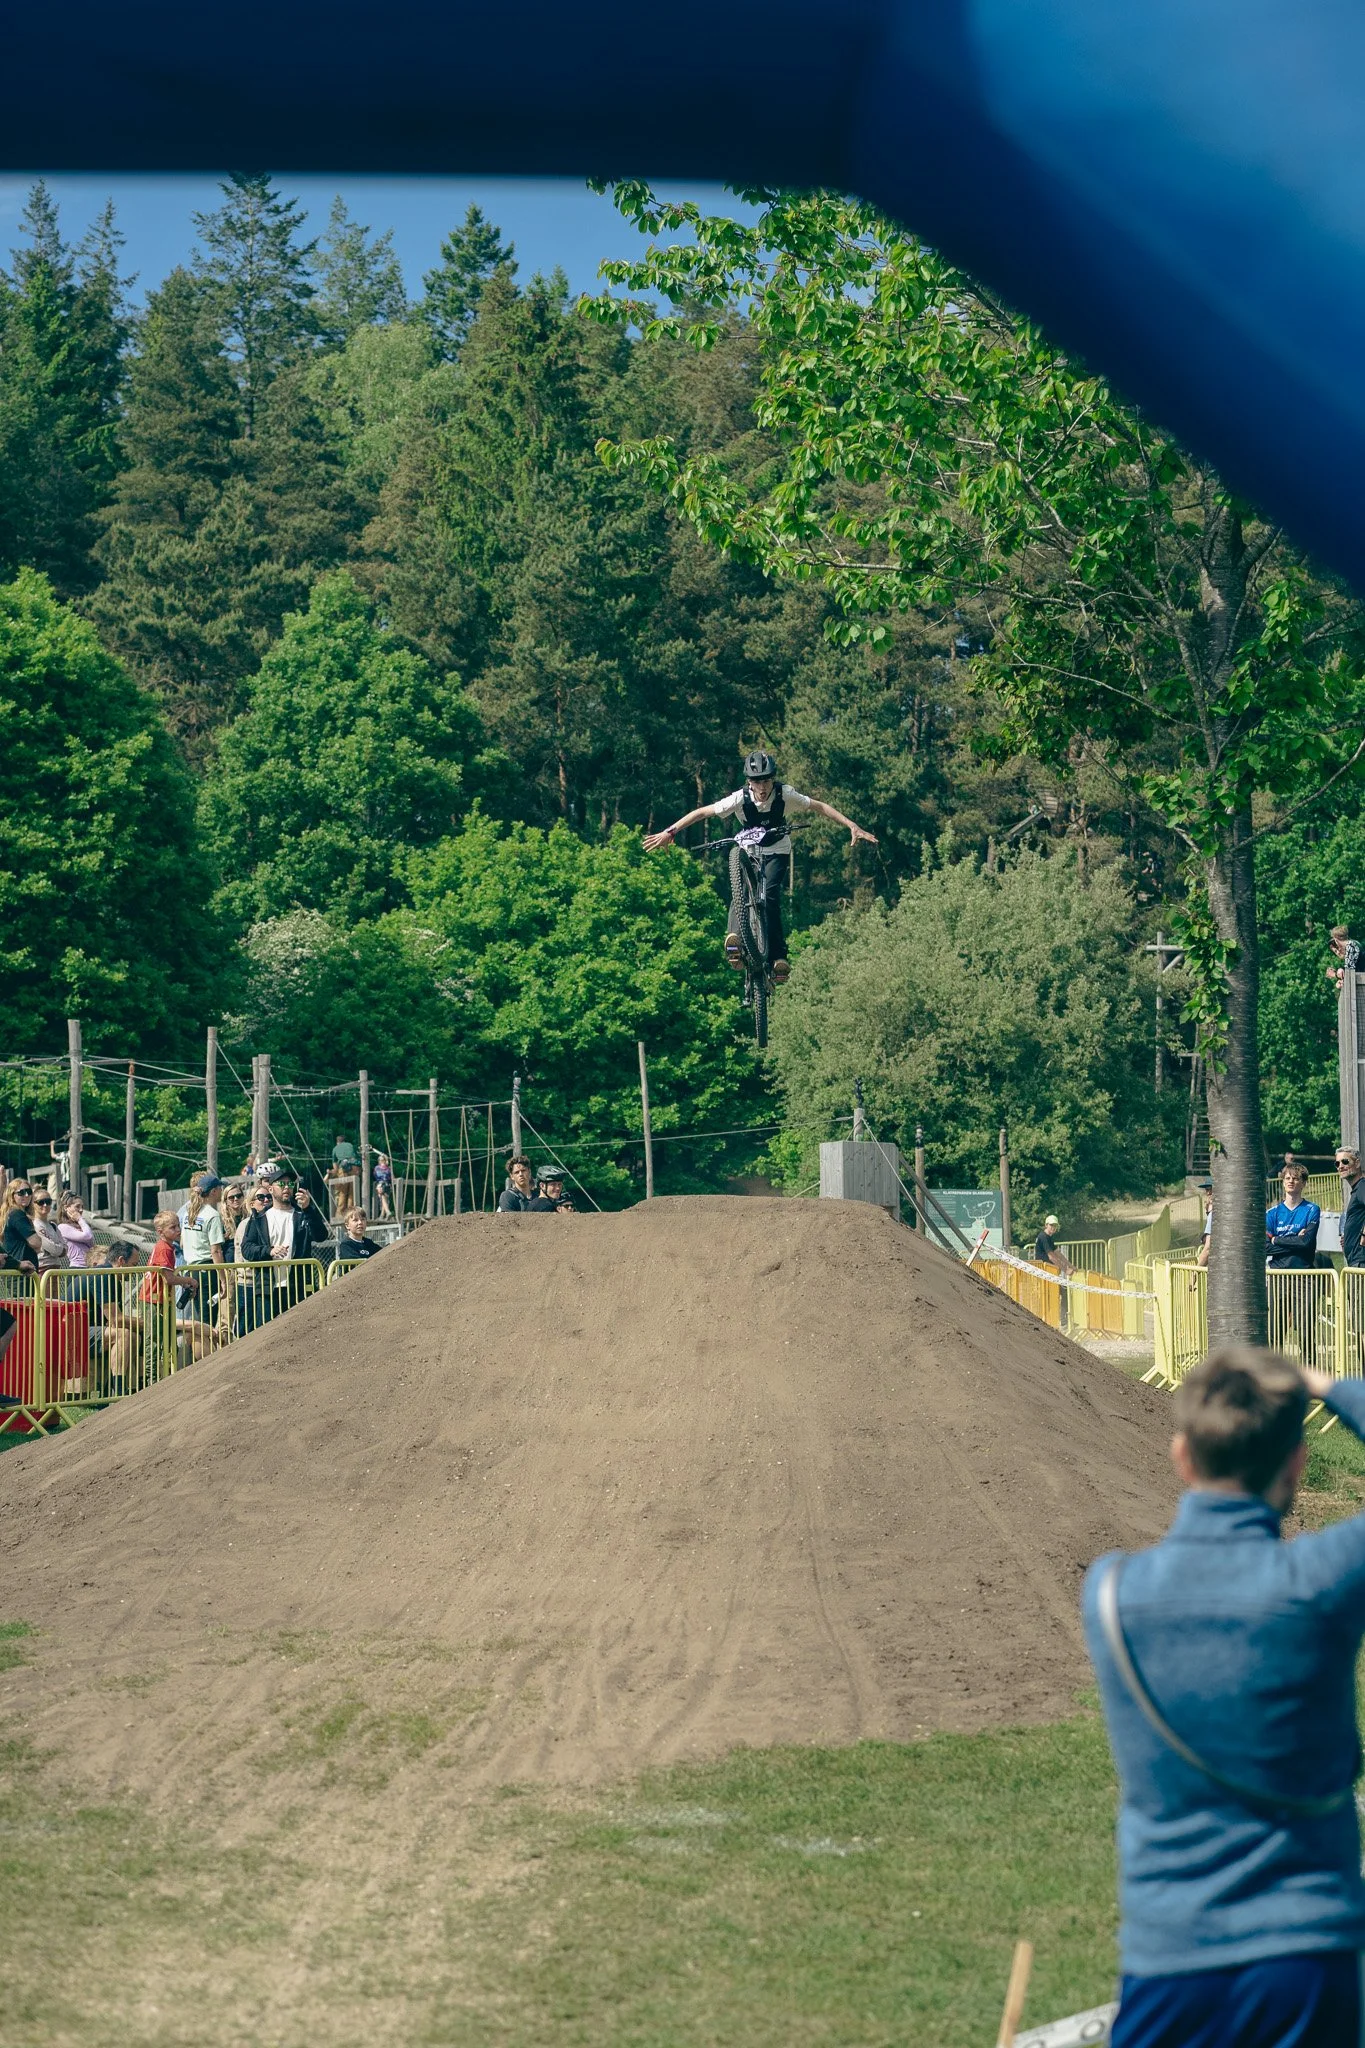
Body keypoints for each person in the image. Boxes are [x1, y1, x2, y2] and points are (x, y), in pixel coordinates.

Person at [1084, 1347, 1365, 2048]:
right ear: (1296, 1464)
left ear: (1182, 1456)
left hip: (1168, 1954)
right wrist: (1324, 1384)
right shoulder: (1317, 1582)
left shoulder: (1111, 1594)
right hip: (1304, 1951)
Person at [643, 749, 877, 985]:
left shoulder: (785, 794)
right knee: (741, 891)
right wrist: (670, 832)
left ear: (772, 779)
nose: (762, 787)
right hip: (749, 850)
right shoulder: (739, 799)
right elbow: (702, 812)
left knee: (771, 897)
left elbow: (819, 806)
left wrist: (851, 825)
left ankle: (778, 958)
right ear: (749, 782)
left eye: (766, 780)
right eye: (757, 782)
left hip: (777, 851)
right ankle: (735, 940)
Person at [239, 1169, 315, 1320]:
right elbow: (247, 1249)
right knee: (268, 1336)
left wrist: (308, 1209)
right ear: (271, 1189)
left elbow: (320, 1235)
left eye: (290, 1184)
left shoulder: (301, 1215)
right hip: (267, 1289)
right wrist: (269, 1251)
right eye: (281, 1183)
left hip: (296, 1287)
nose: (287, 1187)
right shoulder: (259, 1218)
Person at [1265, 1160, 1320, 1269]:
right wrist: (1296, 1241)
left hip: (1304, 1274)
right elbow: (1266, 1248)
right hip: (1278, 1275)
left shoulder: (1312, 1209)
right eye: (1287, 1178)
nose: (1291, 1181)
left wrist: (1276, 1240)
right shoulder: (1271, 1213)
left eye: (1295, 1178)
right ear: (1283, 1182)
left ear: (1303, 1183)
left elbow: (1306, 1243)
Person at [1338, 1146, 1365, 1267]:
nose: (1340, 1166)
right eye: (1337, 1163)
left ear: (1357, 1163)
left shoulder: (1362, 1186)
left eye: (1345, 1161)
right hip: (1355, 1261)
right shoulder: (1357, 1190)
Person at [31, 1189, 69, 1271]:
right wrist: (60, 1249)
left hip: (56, 1267)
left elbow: (65, 1247)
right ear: (33, 1204)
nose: (45, 1205)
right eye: (41, 1202)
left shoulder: (53, 1225)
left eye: (48, 1202)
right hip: (42, 1268)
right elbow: (53, 1248)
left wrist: (59, 1249)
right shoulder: (34, 1225)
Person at [57, 1191, 94, 1268]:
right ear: (66, 1208)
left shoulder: (81, 1226)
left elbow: (91, 1245)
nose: (81, 1210)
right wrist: (80, 1219)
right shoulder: (62, 1227)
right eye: (77, 1207)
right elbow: (88, 1236)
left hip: (89, 1267)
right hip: (78, 1268)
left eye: (82, 1207)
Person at [1033, 1213, 1073, 1277]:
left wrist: (1071, 1266)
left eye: (1055, 1225)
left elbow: (1058, 1254)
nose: (1053, 1227)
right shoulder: (1043, 1237)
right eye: (1051, 1225)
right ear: (1046, 1225)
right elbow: (1051, 1257)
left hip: (1048, 1269)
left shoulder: (1049, 1237)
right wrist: (1065, 1270)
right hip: (1043, 1270)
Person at [373, 1152, 394, 1220]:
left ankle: (387, 1212)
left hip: (381, 1184)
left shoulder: (377, 1168)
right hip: (387, 1184)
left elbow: (376, 1176)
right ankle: (382, 1215)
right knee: (384, 1199)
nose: (381, 1161)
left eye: (382, 1160)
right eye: (380, 1160)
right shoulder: (388, 1169)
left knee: (382, 1198)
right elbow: (391, 1177)